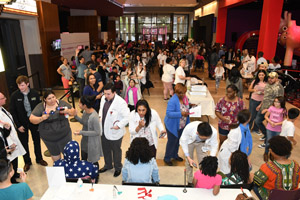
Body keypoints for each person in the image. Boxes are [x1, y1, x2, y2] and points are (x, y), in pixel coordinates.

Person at [9, 76, 48, 172]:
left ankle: (39, 158)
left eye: (22, 85)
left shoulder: (34, 93)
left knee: (36, 140)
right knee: (24, 143)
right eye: (19, 85)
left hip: (34, 122)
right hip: (22, 124)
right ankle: (27, 162)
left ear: (27, 84)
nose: (20, 87)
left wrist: (40, 119)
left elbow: (40, 108)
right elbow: (13, 112)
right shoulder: (14, 96)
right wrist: (18, 125)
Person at [29, 90, 75, 162]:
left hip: (64, 135)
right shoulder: (40, 107)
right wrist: (41, 118)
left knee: (68, 155)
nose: (52, 100)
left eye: (53, 97)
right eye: (49, 98)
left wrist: (68, 111)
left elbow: (74, 112)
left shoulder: (61, 103)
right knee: (56, 159)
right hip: (49, 139)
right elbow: (31, 119)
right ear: (45, 100)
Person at [253, 136, 300, 200]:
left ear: (271, 151)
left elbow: (257, 181)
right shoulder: (296, 166)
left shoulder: (267, 167)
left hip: (272, 197)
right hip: (291, 197)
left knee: (253, 184)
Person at [98, 83, 130, 177]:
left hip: (115, 131)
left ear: (114, 92)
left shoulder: (120, 102)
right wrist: (99, 118)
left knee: (116, 150)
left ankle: (118, 167)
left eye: (108, 94)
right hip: (103, 129)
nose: (106, 96)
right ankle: (108, 165)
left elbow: (127, 117)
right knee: (106, 149)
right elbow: (101, 110)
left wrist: (119, 125)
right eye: (105, 93)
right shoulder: (103, 98)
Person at [0, 92, 26, 183]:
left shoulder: (2, 108)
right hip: (7, 140)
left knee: (15, 158)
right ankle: (12, 179)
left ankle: (15, 174)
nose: (5, 99)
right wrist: (10, 142)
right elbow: (2, 133)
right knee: (10, 160)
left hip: (12, 136)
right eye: (3, 98)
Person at [218, 109, 252, 174]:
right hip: (229, 155)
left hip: (236, 153)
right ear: (248, 120)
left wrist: (246, 157)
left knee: (247, 168)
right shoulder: (235, 131)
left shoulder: (246, 128)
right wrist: (233, 161)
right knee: (227, 173)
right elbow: (232, 149)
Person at [255, 72, 284, 148]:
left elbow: (280, 101)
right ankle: (265, 134)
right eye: (269, 77)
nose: (270, 79)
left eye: (272, 78)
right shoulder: (267, 84)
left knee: (270, 127)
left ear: (276, 78)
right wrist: (260, 105)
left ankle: (266, 143)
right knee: (257, 121)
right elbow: (266, 96)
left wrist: (269, 110)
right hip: (263, 107)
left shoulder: (279, 87)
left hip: (272, 111)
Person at [163, 83, 190, 166]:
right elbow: (169, 113)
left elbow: (186, 106)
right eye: (180, 93)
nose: (182, 95)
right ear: (176, 92)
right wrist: (181, 114)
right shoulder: (173, 100)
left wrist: (191, 106)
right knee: (172, 141)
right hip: (172, 125)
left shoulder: (185, 98)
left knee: (178, 141)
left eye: (183, 93)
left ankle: (175, 155)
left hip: (182, 124)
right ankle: (167, 158)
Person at [73, 96, 103, 168]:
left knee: (93, 162)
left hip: (92, 142)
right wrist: (76, 116)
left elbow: (97, 132)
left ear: (85, 105)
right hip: (85, 141)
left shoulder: (94, 116)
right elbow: (85, 123)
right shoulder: (85, 112)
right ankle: (85, 175)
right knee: (84, 159)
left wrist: (81, 132)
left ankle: (95, 176)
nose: (78, 105)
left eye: (80, 103)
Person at [262, 96, 286, 162]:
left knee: (275, 143)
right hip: (270, 128)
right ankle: (266, 153)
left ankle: (272, 154)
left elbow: (284, 120)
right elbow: (266, 116)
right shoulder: (271, 108)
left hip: (278, 129)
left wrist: (276, 124)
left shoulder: (283, 110)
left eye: (277, 102)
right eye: (275, 101)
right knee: (268, 142)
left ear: (281, 102)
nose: (275, 103)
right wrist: (270, 122)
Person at [248, 70, 268, 134]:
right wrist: (254, 90)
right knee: (251, 115)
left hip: (262, 101)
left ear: (265, 75)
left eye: (262, 75)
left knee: (258, 116)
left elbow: (267, 93)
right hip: (254, 99)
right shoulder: (255, 81)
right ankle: (248, 128)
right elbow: (249, 89)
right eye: (260, 75)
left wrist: (263, 93)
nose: (261, 76)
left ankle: (255, 129)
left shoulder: (267, 83)